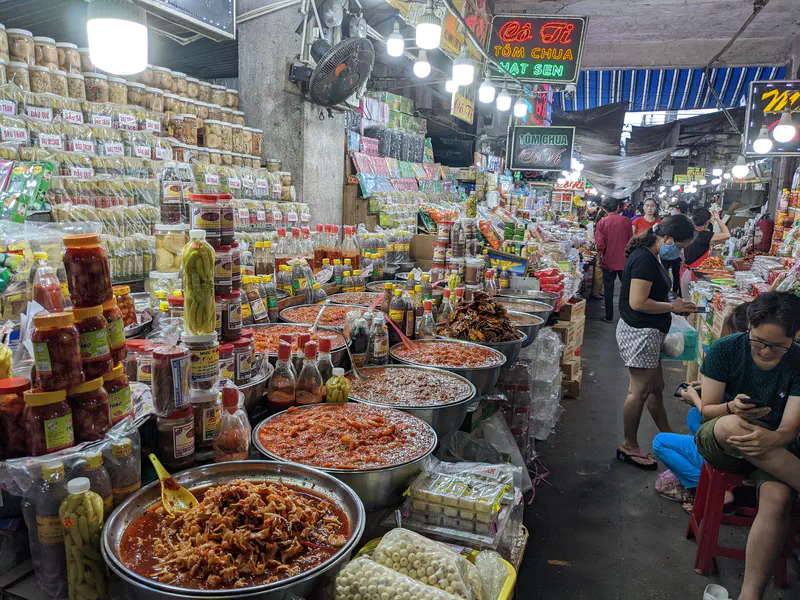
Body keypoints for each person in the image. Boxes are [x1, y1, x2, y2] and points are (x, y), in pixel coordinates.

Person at [695, 292, 800, 600]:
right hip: (724, 439)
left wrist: (776, 436)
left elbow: (789, 428)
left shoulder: (798, 360)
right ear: (749, 329)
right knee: (730, 426)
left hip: (775, 446)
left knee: (779, 496)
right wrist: (732, 408)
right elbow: (708, 409)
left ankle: (749, 596)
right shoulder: (726, 349)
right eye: (758, 342)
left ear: (793, 338)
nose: (766, 351)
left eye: (777, 346)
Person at [615, 215, 697, 469]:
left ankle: (669, 434)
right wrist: (672, 306)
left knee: (656, 387)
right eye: (681, 247)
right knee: (638, 391)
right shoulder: (644, 260)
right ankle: (629, 445)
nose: (680, 253)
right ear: (668, 238)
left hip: (648, 331)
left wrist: (672, 307)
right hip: (641, 332)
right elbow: (638, 303)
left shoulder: (651, 255)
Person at [652, 302, 751, 511]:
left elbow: (710, 409)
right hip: (745, 442)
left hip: (738, 447)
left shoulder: (731, 352)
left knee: (661, 442)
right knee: (693, 416)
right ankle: (718, 481)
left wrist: (694, 398)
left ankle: (708, 490)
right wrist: (706, 388)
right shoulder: (764, 359)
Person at [595, 198, 633, 323]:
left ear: (604, 209)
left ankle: (609, 316)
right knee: (626, 289)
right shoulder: (626, 221)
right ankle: (626, 316)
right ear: (618, 207)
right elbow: (630, 240)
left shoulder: (602, 223)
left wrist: (602, 254)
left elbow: (600, 245)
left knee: (609, 289)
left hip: (608, 261)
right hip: (625, 261)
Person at [679, 207, 731, 299]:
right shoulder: (704, 235)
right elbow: (727, 234)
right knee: (695, 306)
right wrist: (718, 219)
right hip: (696, 275)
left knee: (686, 304)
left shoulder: (688, 232)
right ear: (707, 222)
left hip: (685, 273)